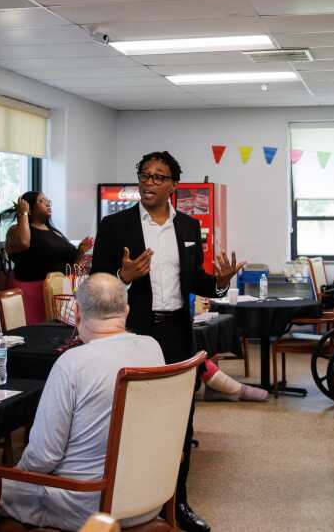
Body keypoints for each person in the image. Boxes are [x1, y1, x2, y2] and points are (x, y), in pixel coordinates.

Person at [90, 151, 243, 532]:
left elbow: (197, 282)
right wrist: (123, 276)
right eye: (144, 175)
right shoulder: (115, 226)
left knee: (180, 420)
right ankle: (126, 501)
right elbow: (96, 285)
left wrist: (221, 281)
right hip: (134, 333)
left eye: (159, 177)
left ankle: (179, 502)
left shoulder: (189, 227)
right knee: (129, 417)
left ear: (174, 185)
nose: (149, 183)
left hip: (176, 333)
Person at [0, 274, 165, 532]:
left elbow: (42, 458)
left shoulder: (72, 364)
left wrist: (14, 475)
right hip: (149, 497)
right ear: (126, 310)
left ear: (78, 313)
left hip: (86, 503)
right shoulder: (152, 348)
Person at [6, 191, 94, 282]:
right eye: (41, 201)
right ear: (29, 209)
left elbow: (70, 269)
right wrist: (23, 214)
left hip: (61, 290)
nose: (47, 203)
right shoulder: (16, 230)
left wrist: (80, 251)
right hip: (33, 291)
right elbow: (23, 243)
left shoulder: (54, 232)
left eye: (47, 200)